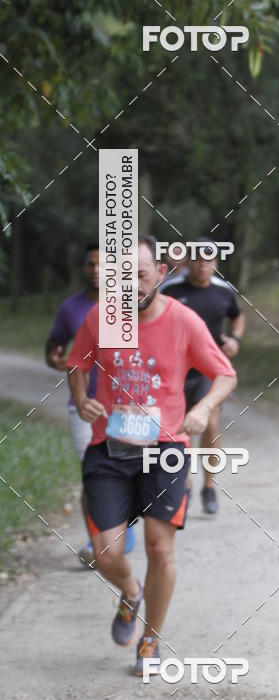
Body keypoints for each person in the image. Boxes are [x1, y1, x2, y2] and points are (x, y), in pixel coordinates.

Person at [67, 234, 237, 675]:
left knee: (160, 549)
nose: (131, 284)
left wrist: (202, 408)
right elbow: (76, 363)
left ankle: (150, 639)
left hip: (165, 448)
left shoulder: (184, 321)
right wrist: (83, 399)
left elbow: (224, 374)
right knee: (105, 553)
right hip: (109, 446)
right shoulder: (99, 318)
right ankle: (129, 588)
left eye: (140, 274)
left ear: (161, 274)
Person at [45, 241, 136, 566]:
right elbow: (53, 349)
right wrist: (64, 364)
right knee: (93, 472)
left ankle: (123, 529)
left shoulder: (129, 306)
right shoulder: (71, 308)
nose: (96, 271)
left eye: (102, 265)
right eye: (90, 265)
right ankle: (99, 543)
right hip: (82, 407)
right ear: (83, 268)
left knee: (126, 470)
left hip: (124, 407)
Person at [162, 237, 245, 514]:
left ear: (216, 262)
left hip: (210, 370)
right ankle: (182, 485)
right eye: (196, 259)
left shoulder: (224, 291)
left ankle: (209, 487)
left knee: (209, 423)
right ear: (187, 262)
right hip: (175, 371)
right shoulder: (170, 290)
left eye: (208, 259)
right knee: (177, 427)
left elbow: (238, 316)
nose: (202, 265)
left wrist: (234, 339)